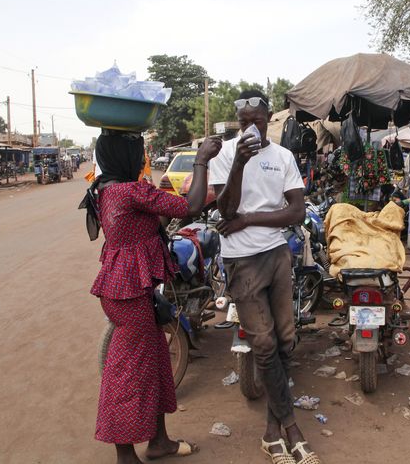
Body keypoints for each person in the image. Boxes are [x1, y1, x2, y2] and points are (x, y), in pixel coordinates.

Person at [89, 129, 222, 464]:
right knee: (127, 373)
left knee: (157, 362)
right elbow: (191, 205)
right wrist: (202, 159)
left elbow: (155, 218)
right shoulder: (130, 191)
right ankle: (124, 454)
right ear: (125, 157)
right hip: (129, 291)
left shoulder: (107, 189)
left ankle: (159, 440)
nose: (142, 157)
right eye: (138, 152)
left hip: (129, 288)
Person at [209, 90, 320, 464]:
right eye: (243, 123)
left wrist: (249, 219)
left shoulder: (283, 156)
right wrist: (239, 164)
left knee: (286, 339)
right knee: (264, 344)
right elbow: (224, 208)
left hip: (276, 254)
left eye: (257, 121)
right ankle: (290, 427)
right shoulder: (226, 154)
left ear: (268, 118)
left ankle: (272, 432)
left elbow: (296, 212)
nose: (250, 128)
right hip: (241, 260)